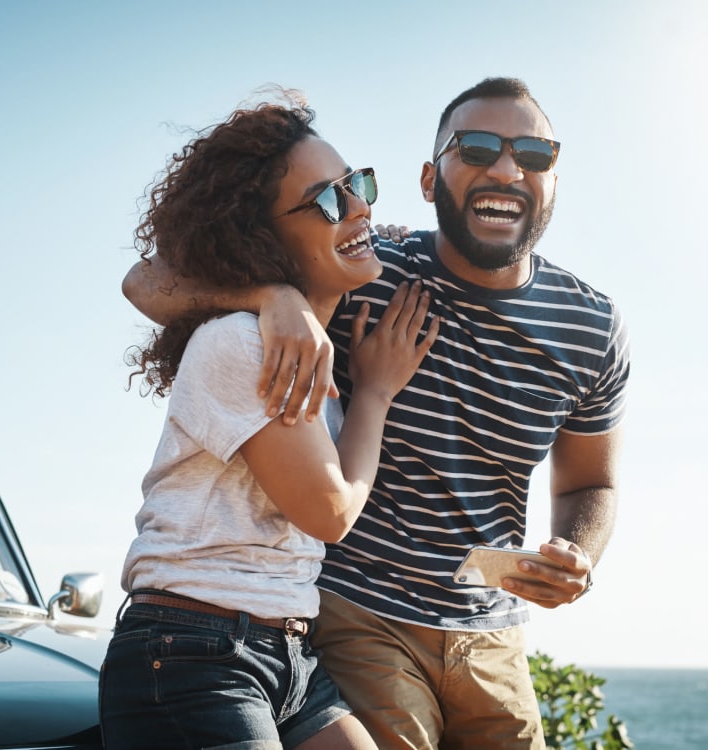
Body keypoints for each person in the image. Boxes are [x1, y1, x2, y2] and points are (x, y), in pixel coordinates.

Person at [122, 77, 630, 749]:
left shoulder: (591, 326)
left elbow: (591, 483)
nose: (506, 169)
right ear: (430, 178)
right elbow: (149, 281)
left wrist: (578, 553)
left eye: (533, 155)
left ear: (555, 179)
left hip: (492, 632)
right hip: (356, 615)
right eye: (476, 147)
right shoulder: (363, 265)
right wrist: (271, 293)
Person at [100, 92, 439, 750]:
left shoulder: (303, 339)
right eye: (331, 199)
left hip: (283, 654)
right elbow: (330, 513)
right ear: (264, 236)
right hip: (193, 655)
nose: (361, 205)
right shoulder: (243, 343)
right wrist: (374, 393)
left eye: (359, 184)